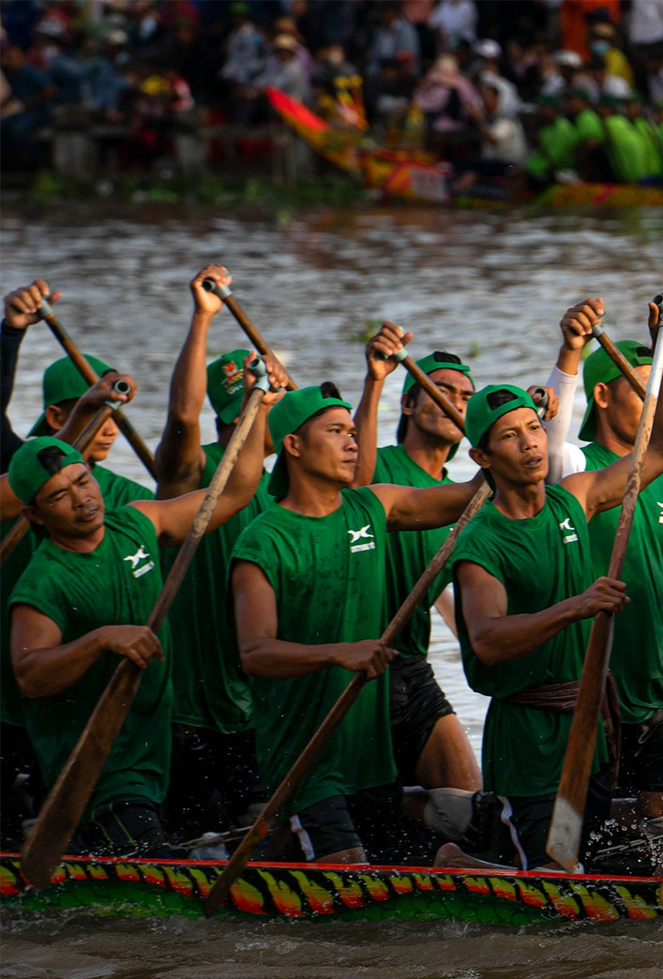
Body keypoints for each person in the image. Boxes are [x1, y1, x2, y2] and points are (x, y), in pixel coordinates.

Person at [445, 300, 663, 871]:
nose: (529, 443)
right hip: (529, 739)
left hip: (590, 727)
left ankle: (474, 856)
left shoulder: (574, 498)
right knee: (554, 879)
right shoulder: (481, 542)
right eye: (510, 437)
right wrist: (575, 607)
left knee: (577, 864)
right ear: (482, 455)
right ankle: (458, 863)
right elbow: (488, 640)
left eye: (534, 428)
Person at [231, 383, 488, 866]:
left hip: (370, 753)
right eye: (336, 432)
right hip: (305, 755)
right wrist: (335, 652)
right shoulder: (262, 541)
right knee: (348, 870)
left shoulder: (372, 506)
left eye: (353, 432)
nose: (353, 443)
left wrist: (506, 431)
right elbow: (255, 652)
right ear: (293, 445)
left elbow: (474, 493)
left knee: (414, 865)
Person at [8, 376, 267, 854]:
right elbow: (30, 675)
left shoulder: (138, 522)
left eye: (82, 480)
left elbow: (233, 493)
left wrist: (259, 408)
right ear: (35, 516)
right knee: (154, 890)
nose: (83, 499)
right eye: (59, 495)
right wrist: (99, 639)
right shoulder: (42, 581)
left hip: (158, 741)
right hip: (98, 758)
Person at [545, 297, 663, 848]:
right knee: (589, 852)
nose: (653, 400)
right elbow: (551, 439)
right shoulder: (573, 469)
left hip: (654, 699)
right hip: (586, 703)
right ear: (602, 396)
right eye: (641, 388)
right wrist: (570, 353)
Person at [155, 264, 291, 838]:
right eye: (261, 404)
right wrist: (202, 317)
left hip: (259, 711)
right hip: (189, 714)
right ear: (238, 414)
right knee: (187, 839)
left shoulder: (290, 485)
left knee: (268, 835)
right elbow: (183, 416)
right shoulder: (195, 476)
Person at [350, 323, 485, 826]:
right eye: (441, 390)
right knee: (366, 809)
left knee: (469, 810)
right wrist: (375, 381)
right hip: (348, 665)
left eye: (466, 396)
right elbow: (354, 489)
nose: (455, 400)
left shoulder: (467, 496)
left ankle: (438, 846)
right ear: (409, 405)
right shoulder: (377, 465)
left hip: (408, 665)